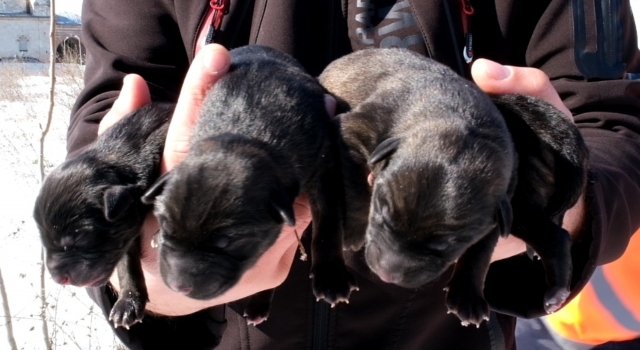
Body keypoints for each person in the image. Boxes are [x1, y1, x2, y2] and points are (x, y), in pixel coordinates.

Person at [67, 0, 640, 349]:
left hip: (453, 339)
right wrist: (144, 267)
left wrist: (567, 201)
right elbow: (110, 122)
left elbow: (616, 124)